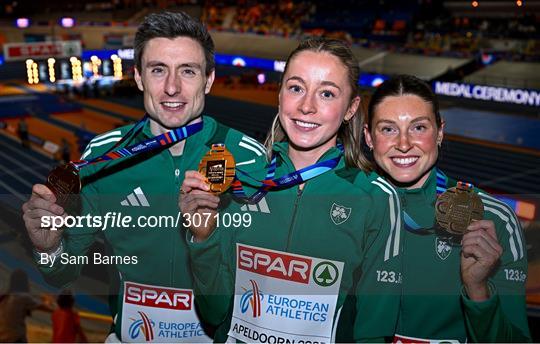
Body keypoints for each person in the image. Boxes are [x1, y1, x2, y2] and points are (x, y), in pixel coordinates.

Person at [21, 11, 265, 342]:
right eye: (158, 70)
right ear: (138, 78)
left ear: (208, 79)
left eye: (188, 71)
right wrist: (48, 247)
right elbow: (61, 271)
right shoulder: (102, 159)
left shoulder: (250, 157)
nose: (172, 88)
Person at [180, 38, 402, 342]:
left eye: (326, 93)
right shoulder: (240, 183)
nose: (306, 106)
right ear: (280, 94)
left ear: (351, 108)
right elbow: (214, 312)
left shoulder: (375, 199)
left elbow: (374, 332)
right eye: (296, 88)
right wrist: (203, 239)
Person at [363, 74, 531, 342]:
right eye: (388, 129)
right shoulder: (346, 207)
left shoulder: (492, 220)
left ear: (440, 132)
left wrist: (477, 290)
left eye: (419, 128)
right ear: (369, 137)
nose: (404, 144)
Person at [0, 269, 51, 342]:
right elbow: (45, 308)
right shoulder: (23, 298)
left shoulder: (4, 297)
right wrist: (47, 300)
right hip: (14, 338)